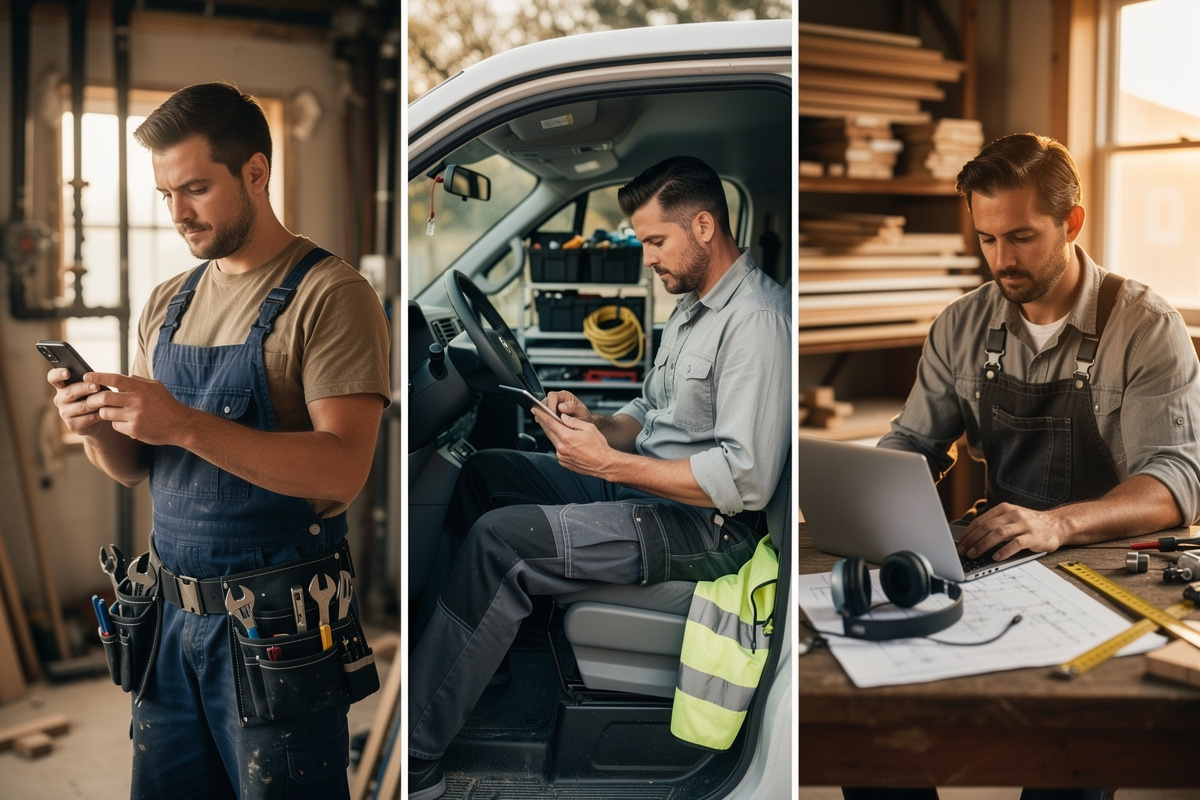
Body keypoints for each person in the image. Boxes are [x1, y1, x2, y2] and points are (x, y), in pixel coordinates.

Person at [407, 155, 792, 800]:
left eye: (653, 242)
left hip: (702, 529)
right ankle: (475, 665)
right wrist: (596, 424)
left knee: (502, 542)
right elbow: (650, 414)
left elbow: (742, 481)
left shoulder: (754, 322)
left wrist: (606, 464)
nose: (646, 258)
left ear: (704, 226)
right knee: (485, 474)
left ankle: (415, 755)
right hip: (647, 488)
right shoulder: (696, 308)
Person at [47, 82, 390, 800]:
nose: (178, 214)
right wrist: (92, 428)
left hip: (277, 638)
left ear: (257, 174)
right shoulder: (168, 301)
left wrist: (185, 423)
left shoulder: (332, 294)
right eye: (166, 192)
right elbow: (136, 468)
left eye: (196, 188)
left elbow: (344, 470)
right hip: (168, 628)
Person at [864, 134, 1200, 800]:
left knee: (1067, 758)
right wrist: (872, 492)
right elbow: (915, 441)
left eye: (1020, 237)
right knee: (879, 731)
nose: (1001, 260)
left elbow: (1176, 484)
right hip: (1002, 549)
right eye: (986, 239)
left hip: (1111, 567)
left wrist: (1057, 525)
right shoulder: (962, 325)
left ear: (1072, 222)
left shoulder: (1145, 326)